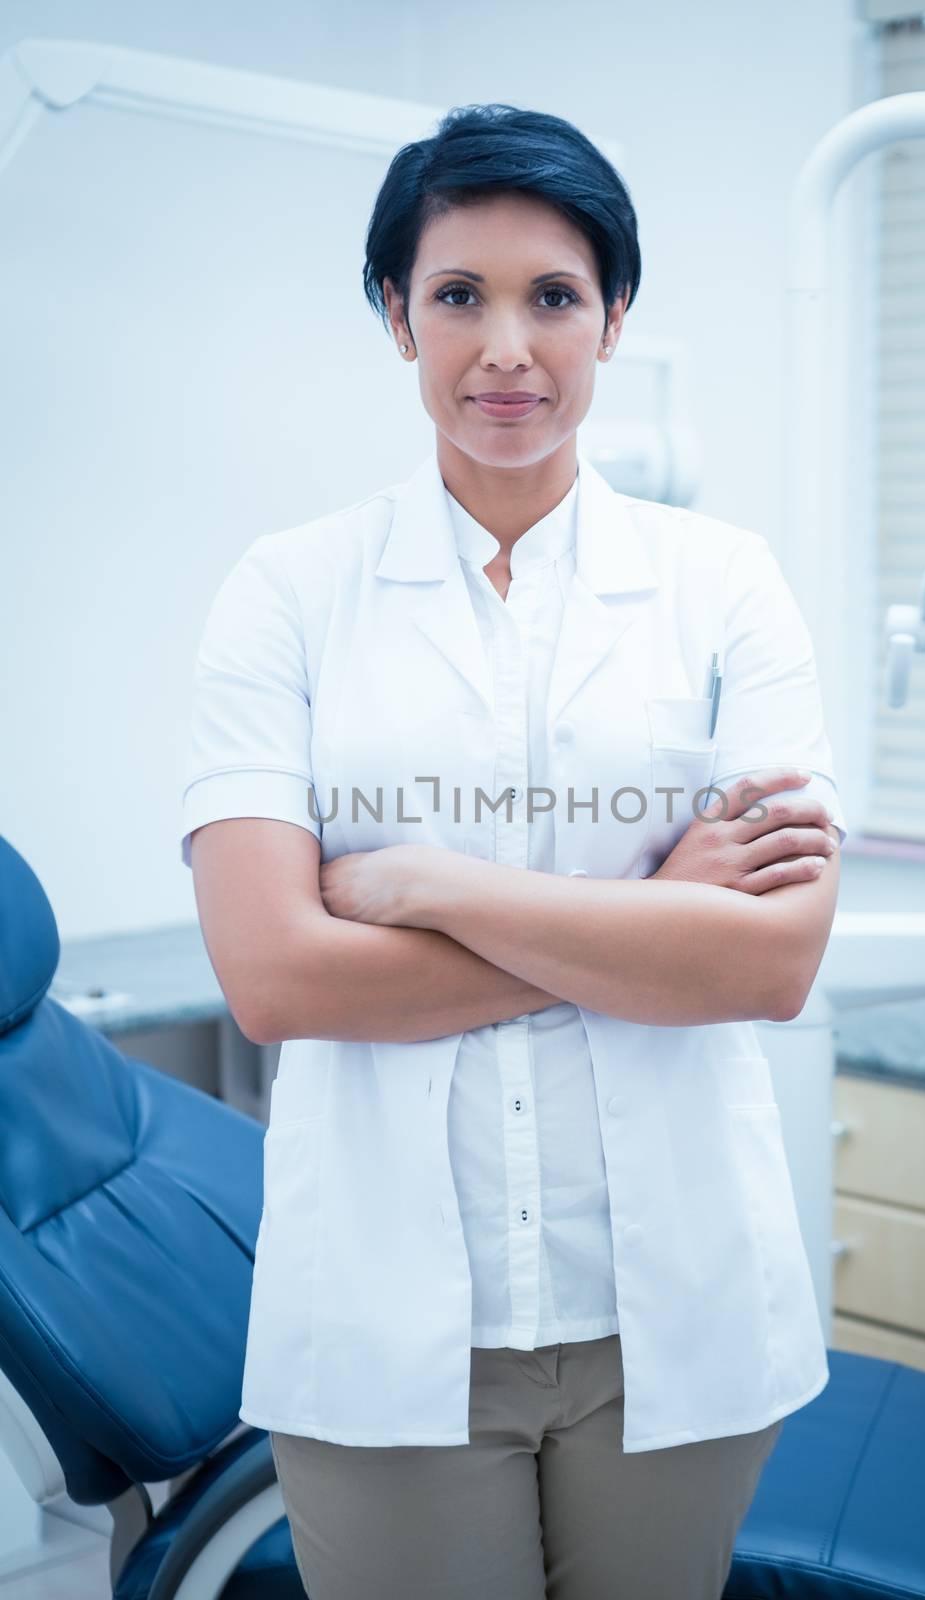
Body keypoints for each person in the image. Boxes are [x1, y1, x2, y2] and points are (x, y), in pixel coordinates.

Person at [181, 101, 847, 1600]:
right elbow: (278, 978)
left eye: (552, 296)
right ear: (395, 319)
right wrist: (638, 930)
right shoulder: (287, 595)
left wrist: (424, 888)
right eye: (456, 296)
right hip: (385, 1314)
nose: (506, 347)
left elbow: (768, 961)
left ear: (613, 317)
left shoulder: (724, 586)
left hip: (669, 1305)